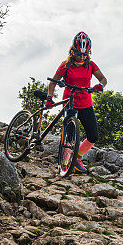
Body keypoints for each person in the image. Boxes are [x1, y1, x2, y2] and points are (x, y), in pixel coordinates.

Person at [45, 31, 107, 173]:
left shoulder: (91, 65)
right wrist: (49, 97)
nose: (82, 56)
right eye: (79, 54)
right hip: (70, 102)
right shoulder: (65, 65)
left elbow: (103, 79)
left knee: (93, 136)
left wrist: (100, 86)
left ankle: (77, 158)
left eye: (85, 54)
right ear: (73, 51)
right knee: (69, 135)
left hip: (86, 103)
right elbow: (53, 83)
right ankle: (64, 164)